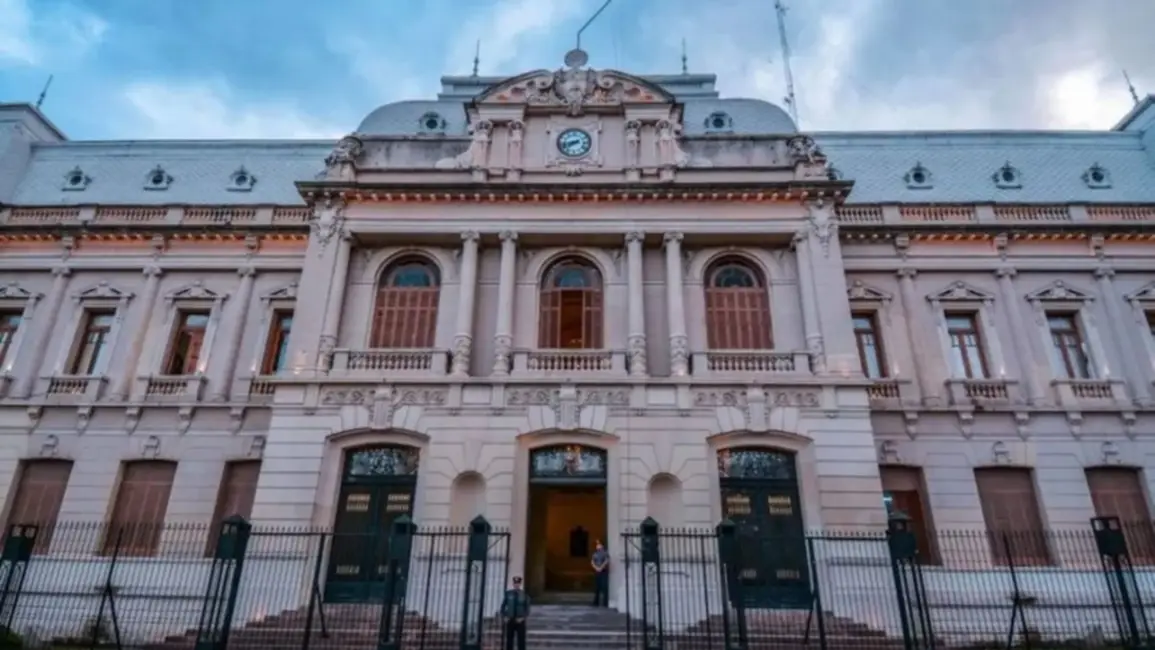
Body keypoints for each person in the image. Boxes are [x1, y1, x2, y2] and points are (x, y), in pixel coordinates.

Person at [500, 576, 530, 650]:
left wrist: (523, 617)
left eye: (518, 583)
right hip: (510, 619)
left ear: (520, 584)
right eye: (515, 583)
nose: (516, 585)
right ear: (513, 584)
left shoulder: (524, 595)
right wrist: (504, 616)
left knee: (521, 639)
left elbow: (527, 608)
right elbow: (503, 606)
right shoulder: (508, 594)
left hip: (520, 620)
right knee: (509, 639)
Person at [591, 540, 609, 607]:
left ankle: (605, 603)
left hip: (604, 571)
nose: (597, 546)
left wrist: (601, 567)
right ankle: (596, 602)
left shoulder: (605, 553)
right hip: (597, 571)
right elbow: (592, 561)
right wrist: (596, 568)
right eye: (597, 545)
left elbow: (606, 561)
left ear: (602, 546)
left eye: (599, 545)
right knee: (597, 587)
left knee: (604, 587)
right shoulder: (595, 554)